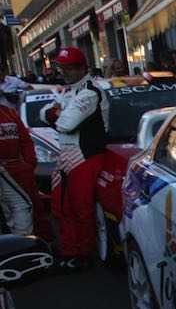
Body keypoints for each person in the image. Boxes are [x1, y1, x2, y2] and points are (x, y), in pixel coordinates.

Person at [39, 47, 109, 272]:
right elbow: (43, 113)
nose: (65, 72)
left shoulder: (90, 92)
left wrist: (56, 112)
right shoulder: (69, 91)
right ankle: (70, 251)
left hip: (86, 156)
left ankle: (84, 254)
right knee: (60, 207)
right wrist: (56, 112)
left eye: (70, 68)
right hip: (67, 155)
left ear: (82, 68)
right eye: (62, 68)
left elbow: (65, 124)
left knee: (81, 208)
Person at [0, 103, 40, 237]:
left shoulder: (9, 113)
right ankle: (22, 242)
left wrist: (29, 163)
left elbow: (25, 140)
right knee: (21, 205)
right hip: (6, 171)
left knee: (24, 205)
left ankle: (21, 242)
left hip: (15, 171)